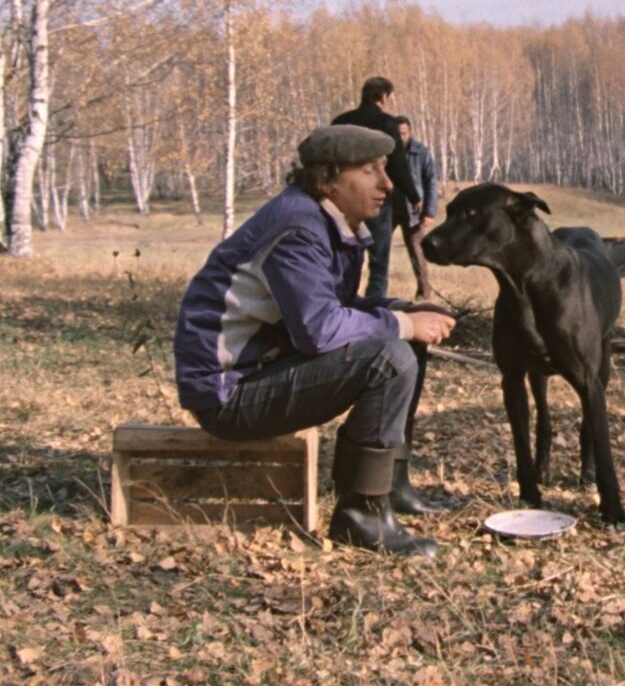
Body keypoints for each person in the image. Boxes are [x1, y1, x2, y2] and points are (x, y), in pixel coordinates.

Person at [173, 124, 456, 556]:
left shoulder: (322, 219)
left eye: (384, 168)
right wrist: (399, 324)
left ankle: (389, 486)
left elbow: (332, 306)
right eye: (369, 170)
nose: (387, 183)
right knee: (391, 355)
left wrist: (404, 311)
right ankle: (360, 516)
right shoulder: (299, 229)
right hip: (229, 394)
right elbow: (319, 329)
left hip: (261, 371)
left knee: (404, 338)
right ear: (328, 179)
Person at [332, 76, 420, 298]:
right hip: (377, 200)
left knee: (344, 256)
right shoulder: (387, 124)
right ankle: (373, 311)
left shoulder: (340, 122)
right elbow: (399, 164)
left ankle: (341, 302)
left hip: (343, 200)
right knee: (379, 263)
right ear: (382, 97)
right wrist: (413, 195)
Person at [393, 116, 438, 300]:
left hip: (413, 210)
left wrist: (429, 211)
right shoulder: (387, 152)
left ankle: (424, 292)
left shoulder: (421, 152)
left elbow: (431, 182)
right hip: (389, 208)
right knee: (376, 249)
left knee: (416, 250)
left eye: (403, 133)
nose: (400, 137)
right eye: (397, 134)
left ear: (410, 132)